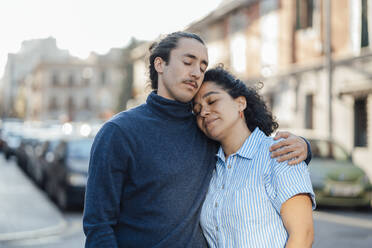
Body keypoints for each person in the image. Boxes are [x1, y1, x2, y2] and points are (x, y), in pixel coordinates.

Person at [83, 32, 312, 248]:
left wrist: (304, 147)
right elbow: (98, 225)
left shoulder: (206, 129)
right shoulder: (119, 132)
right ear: (160, 64)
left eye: (203, 67)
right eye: (188, 62)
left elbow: (248, 144)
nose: (196, 72)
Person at [193, 67, 315, 248]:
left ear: (240, 103)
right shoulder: (210, 169)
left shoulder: (279, 153)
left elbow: (302, 236)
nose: (203, 112)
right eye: (197, 110)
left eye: (212, 101)